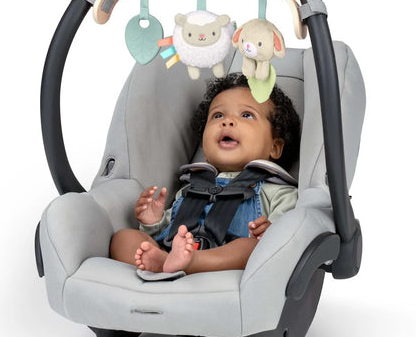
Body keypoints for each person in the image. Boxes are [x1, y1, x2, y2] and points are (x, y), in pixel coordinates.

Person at [109, 73, 300, 274]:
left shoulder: (278, 192)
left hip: (225, 261)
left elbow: (289, 235)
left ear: (275, 147)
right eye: (218, 116)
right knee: (124, 237)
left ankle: (188, 263)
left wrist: (270, 233)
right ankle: (162, 262)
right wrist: (153, 222)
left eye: (246, 115)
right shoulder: (192, 186)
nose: (227, 121)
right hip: (174, 250)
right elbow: (169, 231)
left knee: (249, 248)